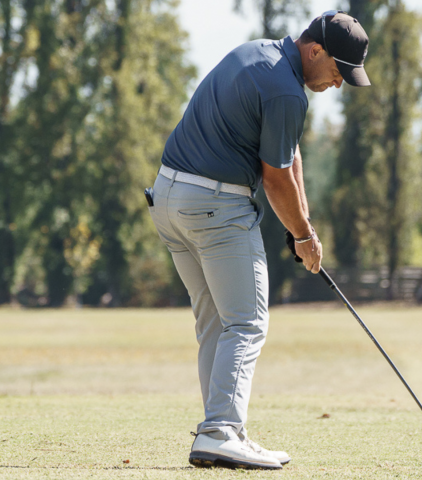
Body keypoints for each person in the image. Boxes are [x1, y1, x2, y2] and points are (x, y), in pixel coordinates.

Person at [146, 11, 371, 470]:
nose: (339, 83)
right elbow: (274, 179)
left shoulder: (261, 54)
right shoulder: (287, 91)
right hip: (215, 206)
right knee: (247, 323)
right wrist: (302, 236)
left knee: (217, 322)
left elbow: (289, 154)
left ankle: (223, 430)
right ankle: (220, 431)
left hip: (169, 197)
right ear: (315, 51)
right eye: (338, 71)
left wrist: (305, 227)